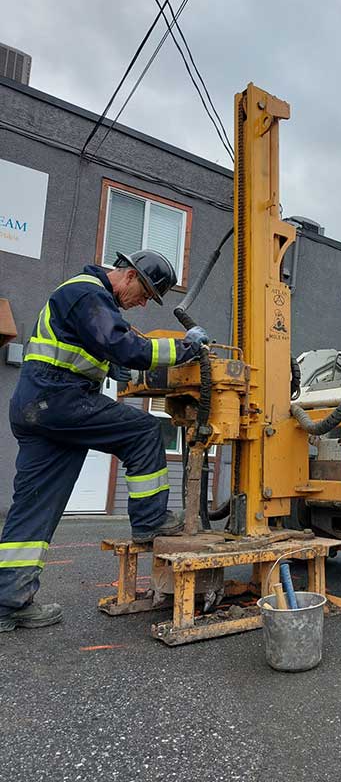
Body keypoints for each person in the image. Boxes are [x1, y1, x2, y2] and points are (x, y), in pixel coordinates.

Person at [0, 250, 209, 633]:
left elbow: (116, 350)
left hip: (37, 407)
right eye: (145, 293)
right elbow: (129, 349)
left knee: (35, 506)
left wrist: (129, 359)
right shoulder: (87, 293)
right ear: (128, 276)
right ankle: (150, 521)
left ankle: (7, 603)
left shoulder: (89, 301)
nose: (143, 302)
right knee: (144, 431)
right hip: (58, 398)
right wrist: (186, 349)